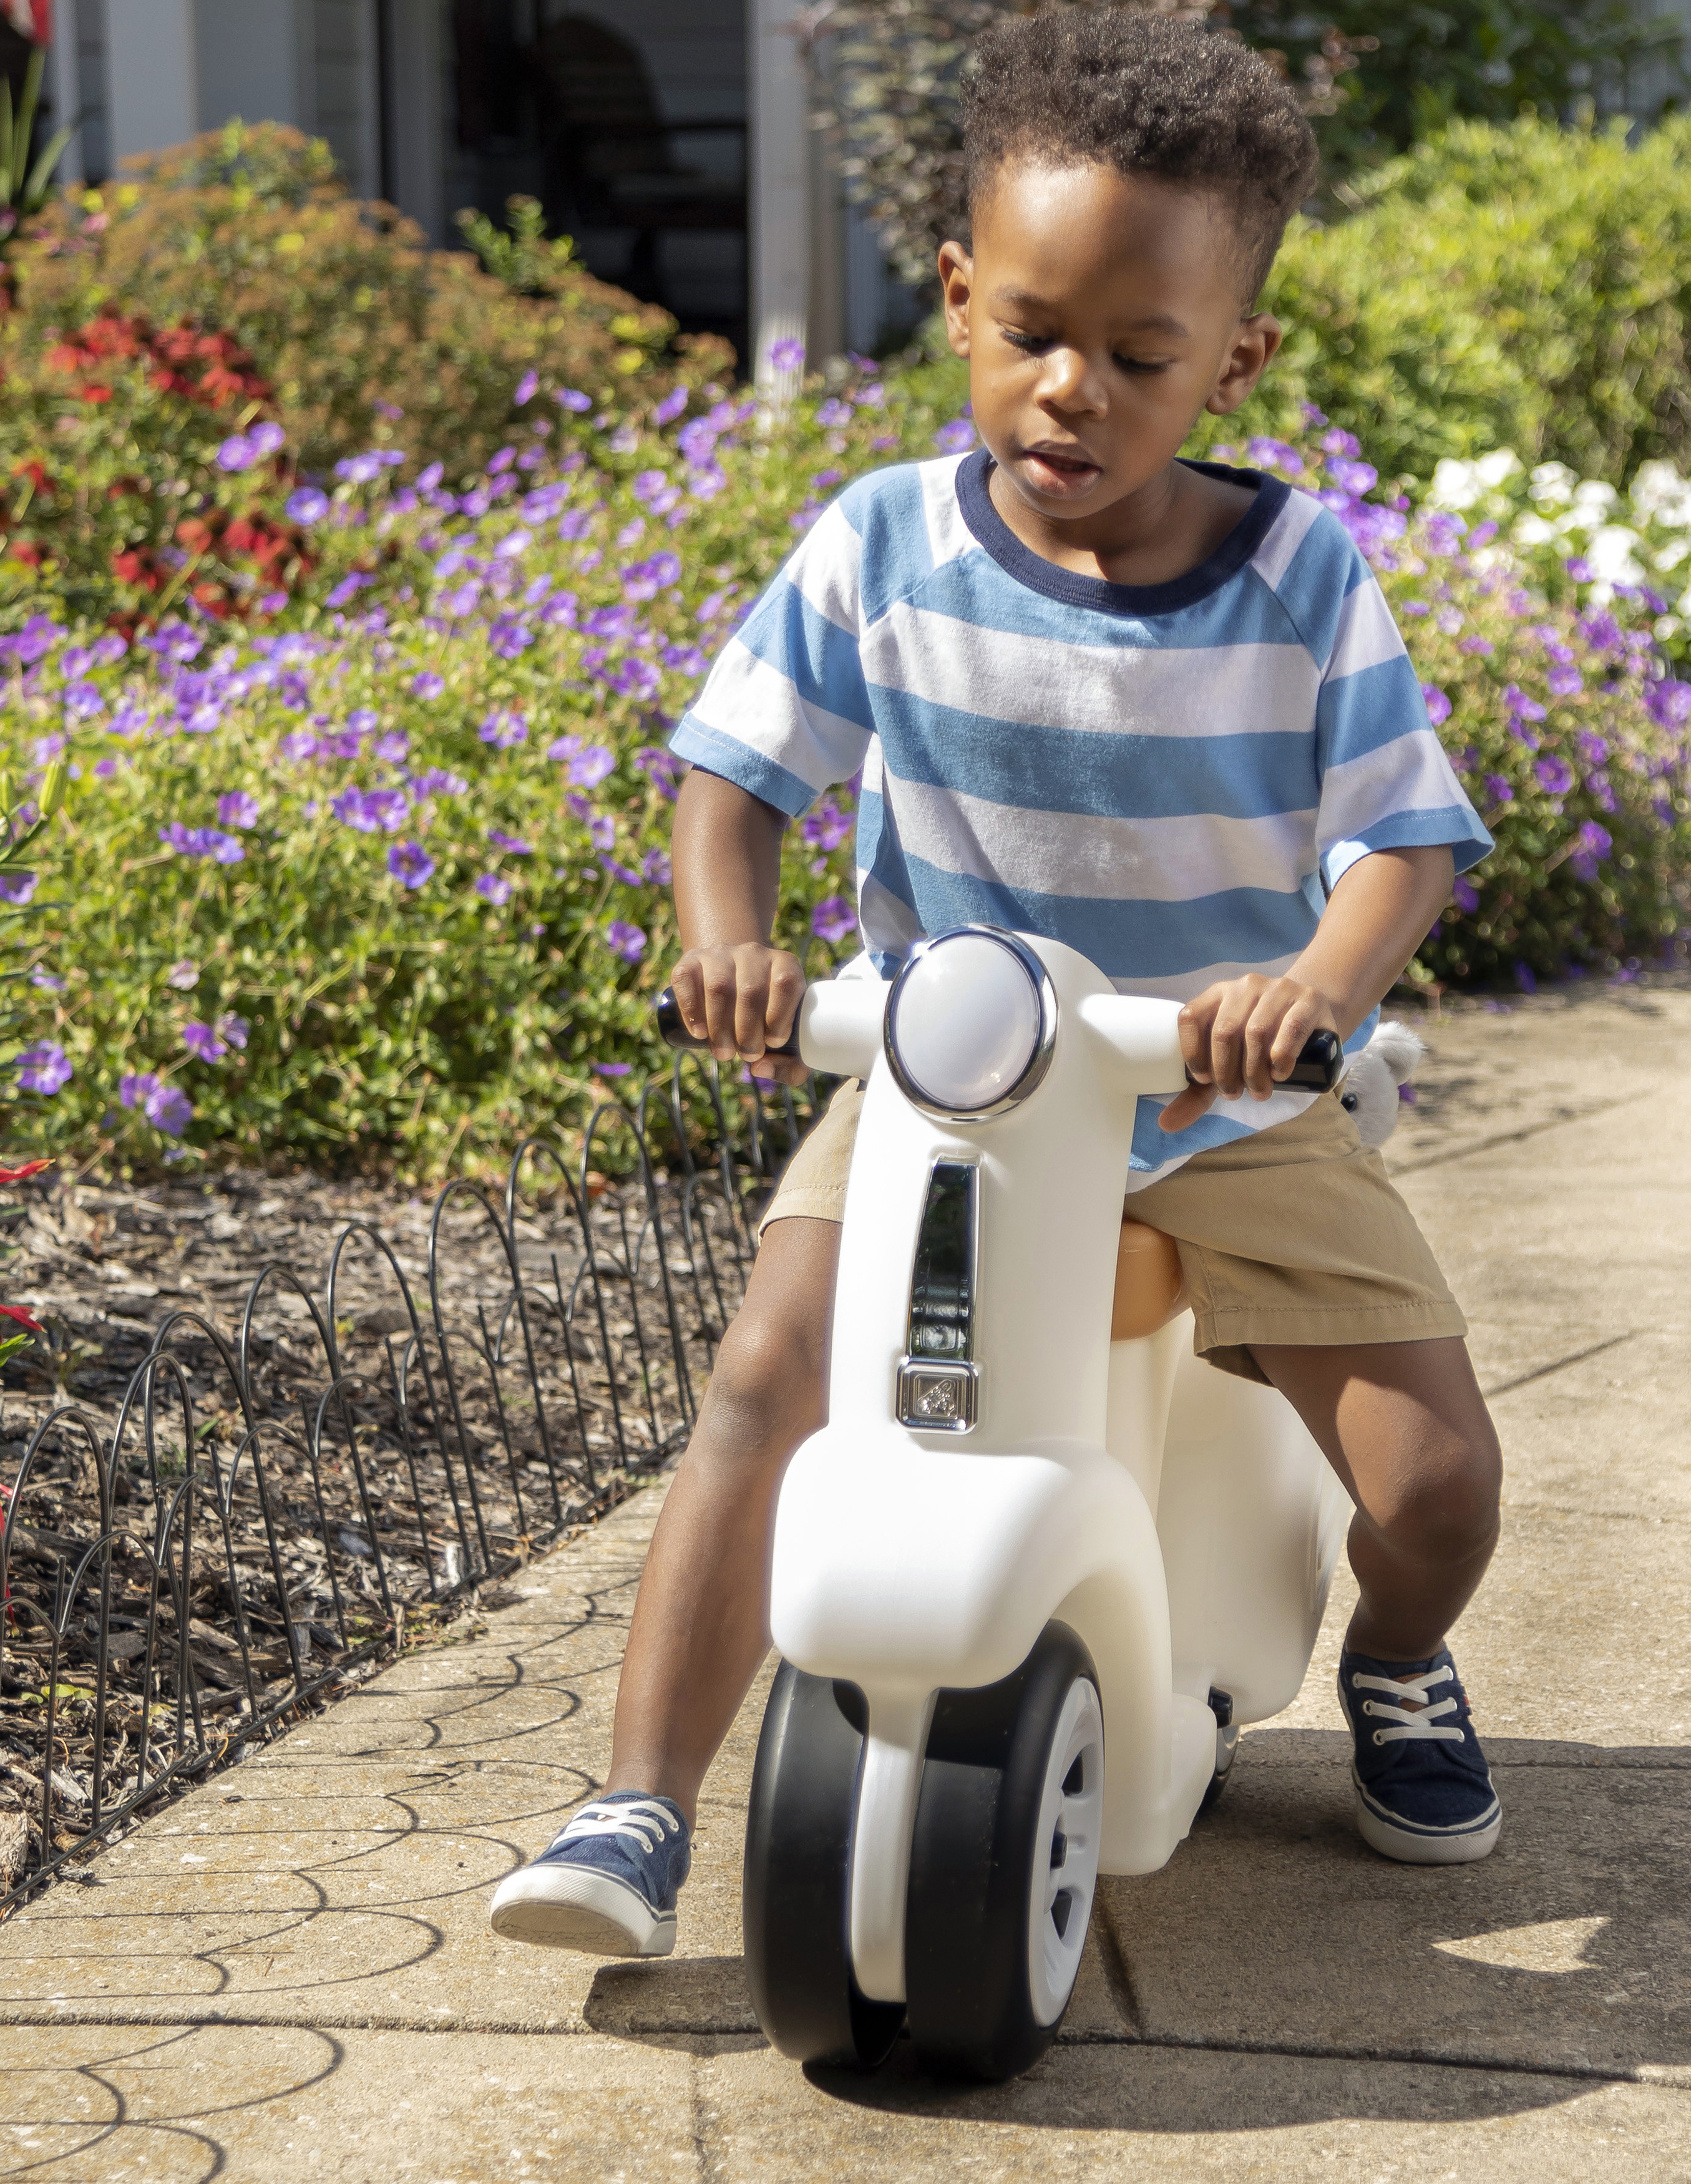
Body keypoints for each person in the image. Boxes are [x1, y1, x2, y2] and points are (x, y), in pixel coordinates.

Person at [490, 8, 1503, 1962]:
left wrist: (1304, 985)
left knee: (1438, 1474)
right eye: (1030, 331)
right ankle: (636, 1801)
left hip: (1218, 1094)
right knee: (766, 1379)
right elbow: (733, 769)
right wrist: (729, 932)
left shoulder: (1297, 576)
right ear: (955, 296)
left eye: (1139, 358)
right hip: (956, 1082)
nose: (1071, 393)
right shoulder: (880, 542)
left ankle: (1393, 1657)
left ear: (1235, 357)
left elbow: (1408, 839)